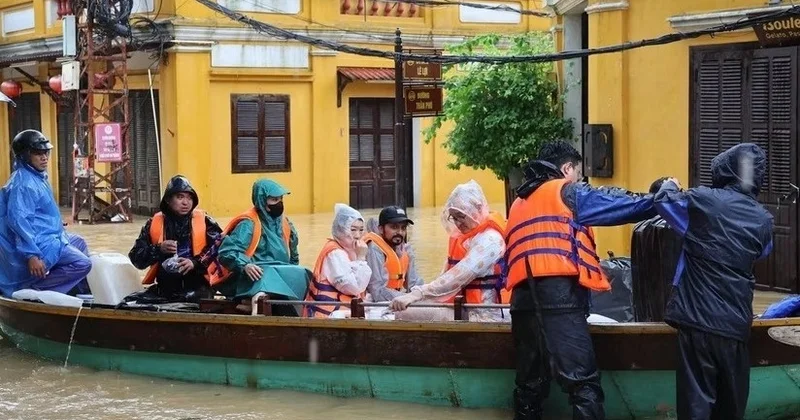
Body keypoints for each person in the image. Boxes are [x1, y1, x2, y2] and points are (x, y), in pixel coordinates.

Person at [505, 140, 657, 420]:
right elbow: (619, 204)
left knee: (530, 385)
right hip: (559, 299)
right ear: (566, 169)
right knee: (583, 384)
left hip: (522, 303)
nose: (580, 180)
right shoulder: (566, 191)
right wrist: (659, 198)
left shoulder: (518, 202)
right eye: (578, 173)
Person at [654, 143, 773, 420]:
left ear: (724, 170)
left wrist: (670, 184)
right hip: (735, 327)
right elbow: (763, 251)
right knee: (730, 407)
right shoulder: (764, 219)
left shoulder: (703, 200)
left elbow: (664, 201)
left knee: (696, 405)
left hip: (697, 323)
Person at [389, 180, 509, 322]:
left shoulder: (490, 240)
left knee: (406, 313)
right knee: (407, 308)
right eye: (454, 217)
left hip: (485, 314)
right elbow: (444, 276)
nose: (457, 223)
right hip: (462, 307)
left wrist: (418, 293)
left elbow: (458, 276)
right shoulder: (465, 239)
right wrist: (418, 295)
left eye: (461, 216)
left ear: (478, 208)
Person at [0, 130, 92, 297]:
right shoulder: (24, 183)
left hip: (48, 235)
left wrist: (56, 224)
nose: (44, 157)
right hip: (38, 243)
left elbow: (38, 212)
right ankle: (35, 290)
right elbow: (18, 221)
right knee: (83, 263)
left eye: (45, 152)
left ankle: (78, 291)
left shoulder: (37, 176)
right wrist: (32, 255)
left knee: (79, 241)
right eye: (37, 153)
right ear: (25, 156)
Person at [216, 179, 309, 315]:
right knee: (266, 274)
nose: (279, 203)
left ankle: (305, 319)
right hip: (252, 273)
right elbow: (226, 252)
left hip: (279, 272)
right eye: (274, 200)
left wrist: (293, 272)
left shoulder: (285, 223)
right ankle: (255, 313)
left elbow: (293, 256)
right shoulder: (248, 224)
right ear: (262, 201)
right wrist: (245, 265)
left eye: (281, 199)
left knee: (303, 273)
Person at [128, 175, 222, 303]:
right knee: (131, 300)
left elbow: (220, 247)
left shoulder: (205, 222)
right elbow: (136, 258)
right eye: (180, 197)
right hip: (165, 287)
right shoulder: (153, 223)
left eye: (189, 198)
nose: (186, 202)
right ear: (168, 200)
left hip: (199, 286)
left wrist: (195, 262)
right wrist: (158, 249)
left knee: (189, 299)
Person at [304, 203, 372, 318]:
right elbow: (353, 288)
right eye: (353, 230)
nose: (357, 235)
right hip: (327, 315)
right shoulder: (334, 253)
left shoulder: (351, 250)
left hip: (347, 308)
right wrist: (361, 259)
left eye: (361, 230)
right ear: (341, 230)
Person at [363, 206, 424, 302]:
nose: (400, 232)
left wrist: (422, 294)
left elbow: (414, 283)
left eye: (403, 228)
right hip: (375, 304)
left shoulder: (406, 250)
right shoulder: (374, 249)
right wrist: (407, 297)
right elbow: (376, 291)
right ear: (381, 229)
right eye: (394, 227)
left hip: (397, 300)